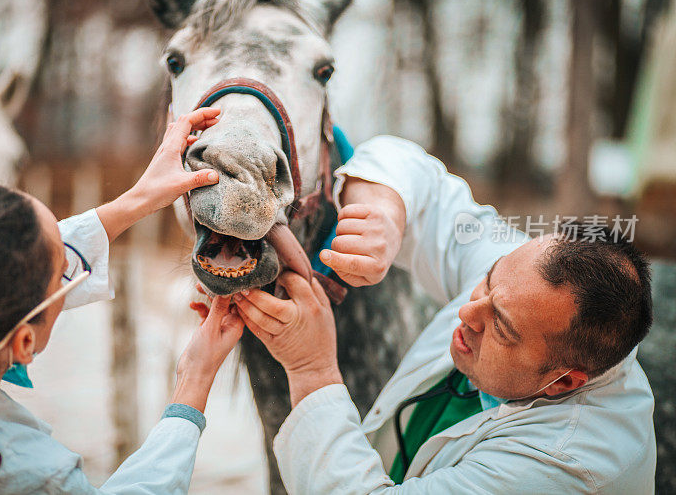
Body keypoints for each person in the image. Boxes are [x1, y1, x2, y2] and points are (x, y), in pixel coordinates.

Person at [232, 135, 656, 493]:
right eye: (487, 279)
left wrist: (312, 371)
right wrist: (383, 213)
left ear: (563, 382)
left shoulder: (566, 463)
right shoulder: (525, 284)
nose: (467, 312)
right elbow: (411, 170)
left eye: (502, 328)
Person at [0, 108, 246, 495]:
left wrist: (137, 199)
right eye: (63, 276)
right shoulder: (30, 476)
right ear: (23, 342)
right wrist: (194, 384)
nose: (69, 274)